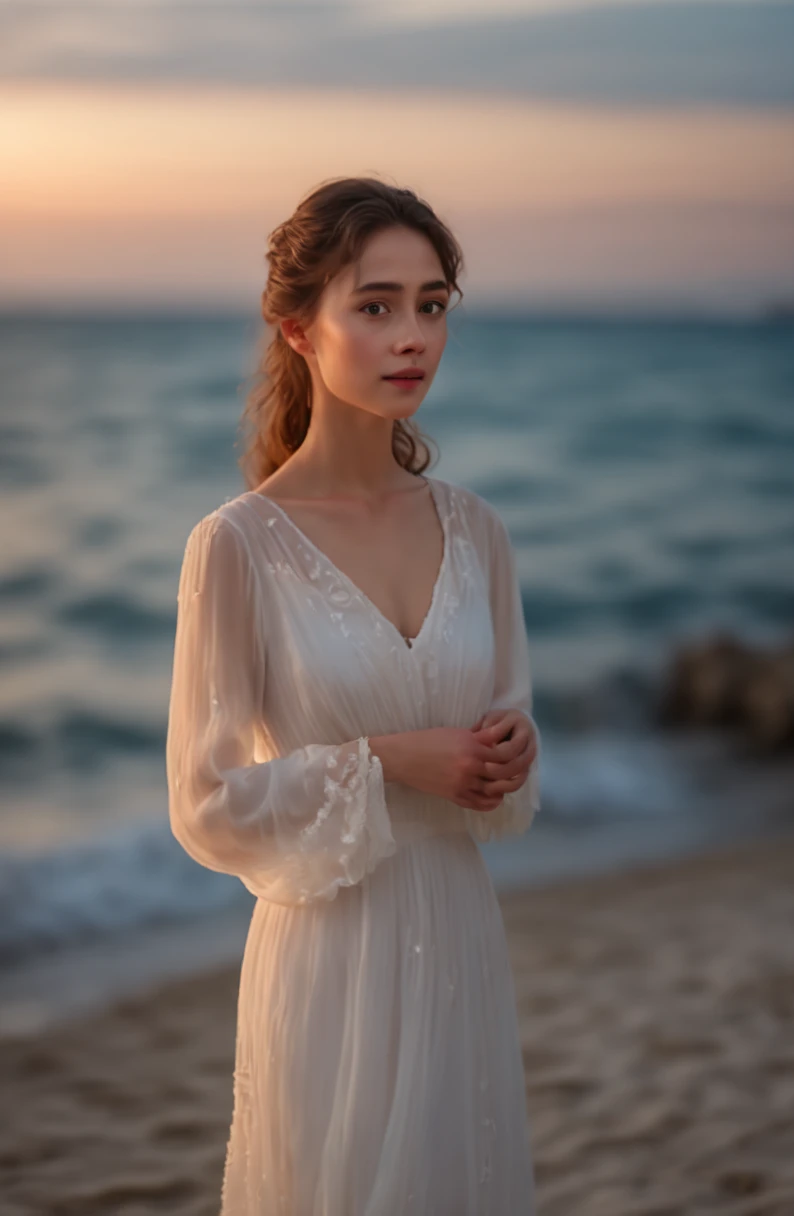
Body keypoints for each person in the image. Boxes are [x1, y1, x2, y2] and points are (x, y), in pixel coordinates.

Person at [166, 176, 541, 1215]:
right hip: (328, 953)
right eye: (374, 305)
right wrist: (384, 760)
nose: (411, 334)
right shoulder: (235, 545)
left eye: (430, 304)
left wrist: (511, 747)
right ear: (298, 328)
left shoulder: (478, 532)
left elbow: (506, 726)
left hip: (459, 931)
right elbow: (202, 805)